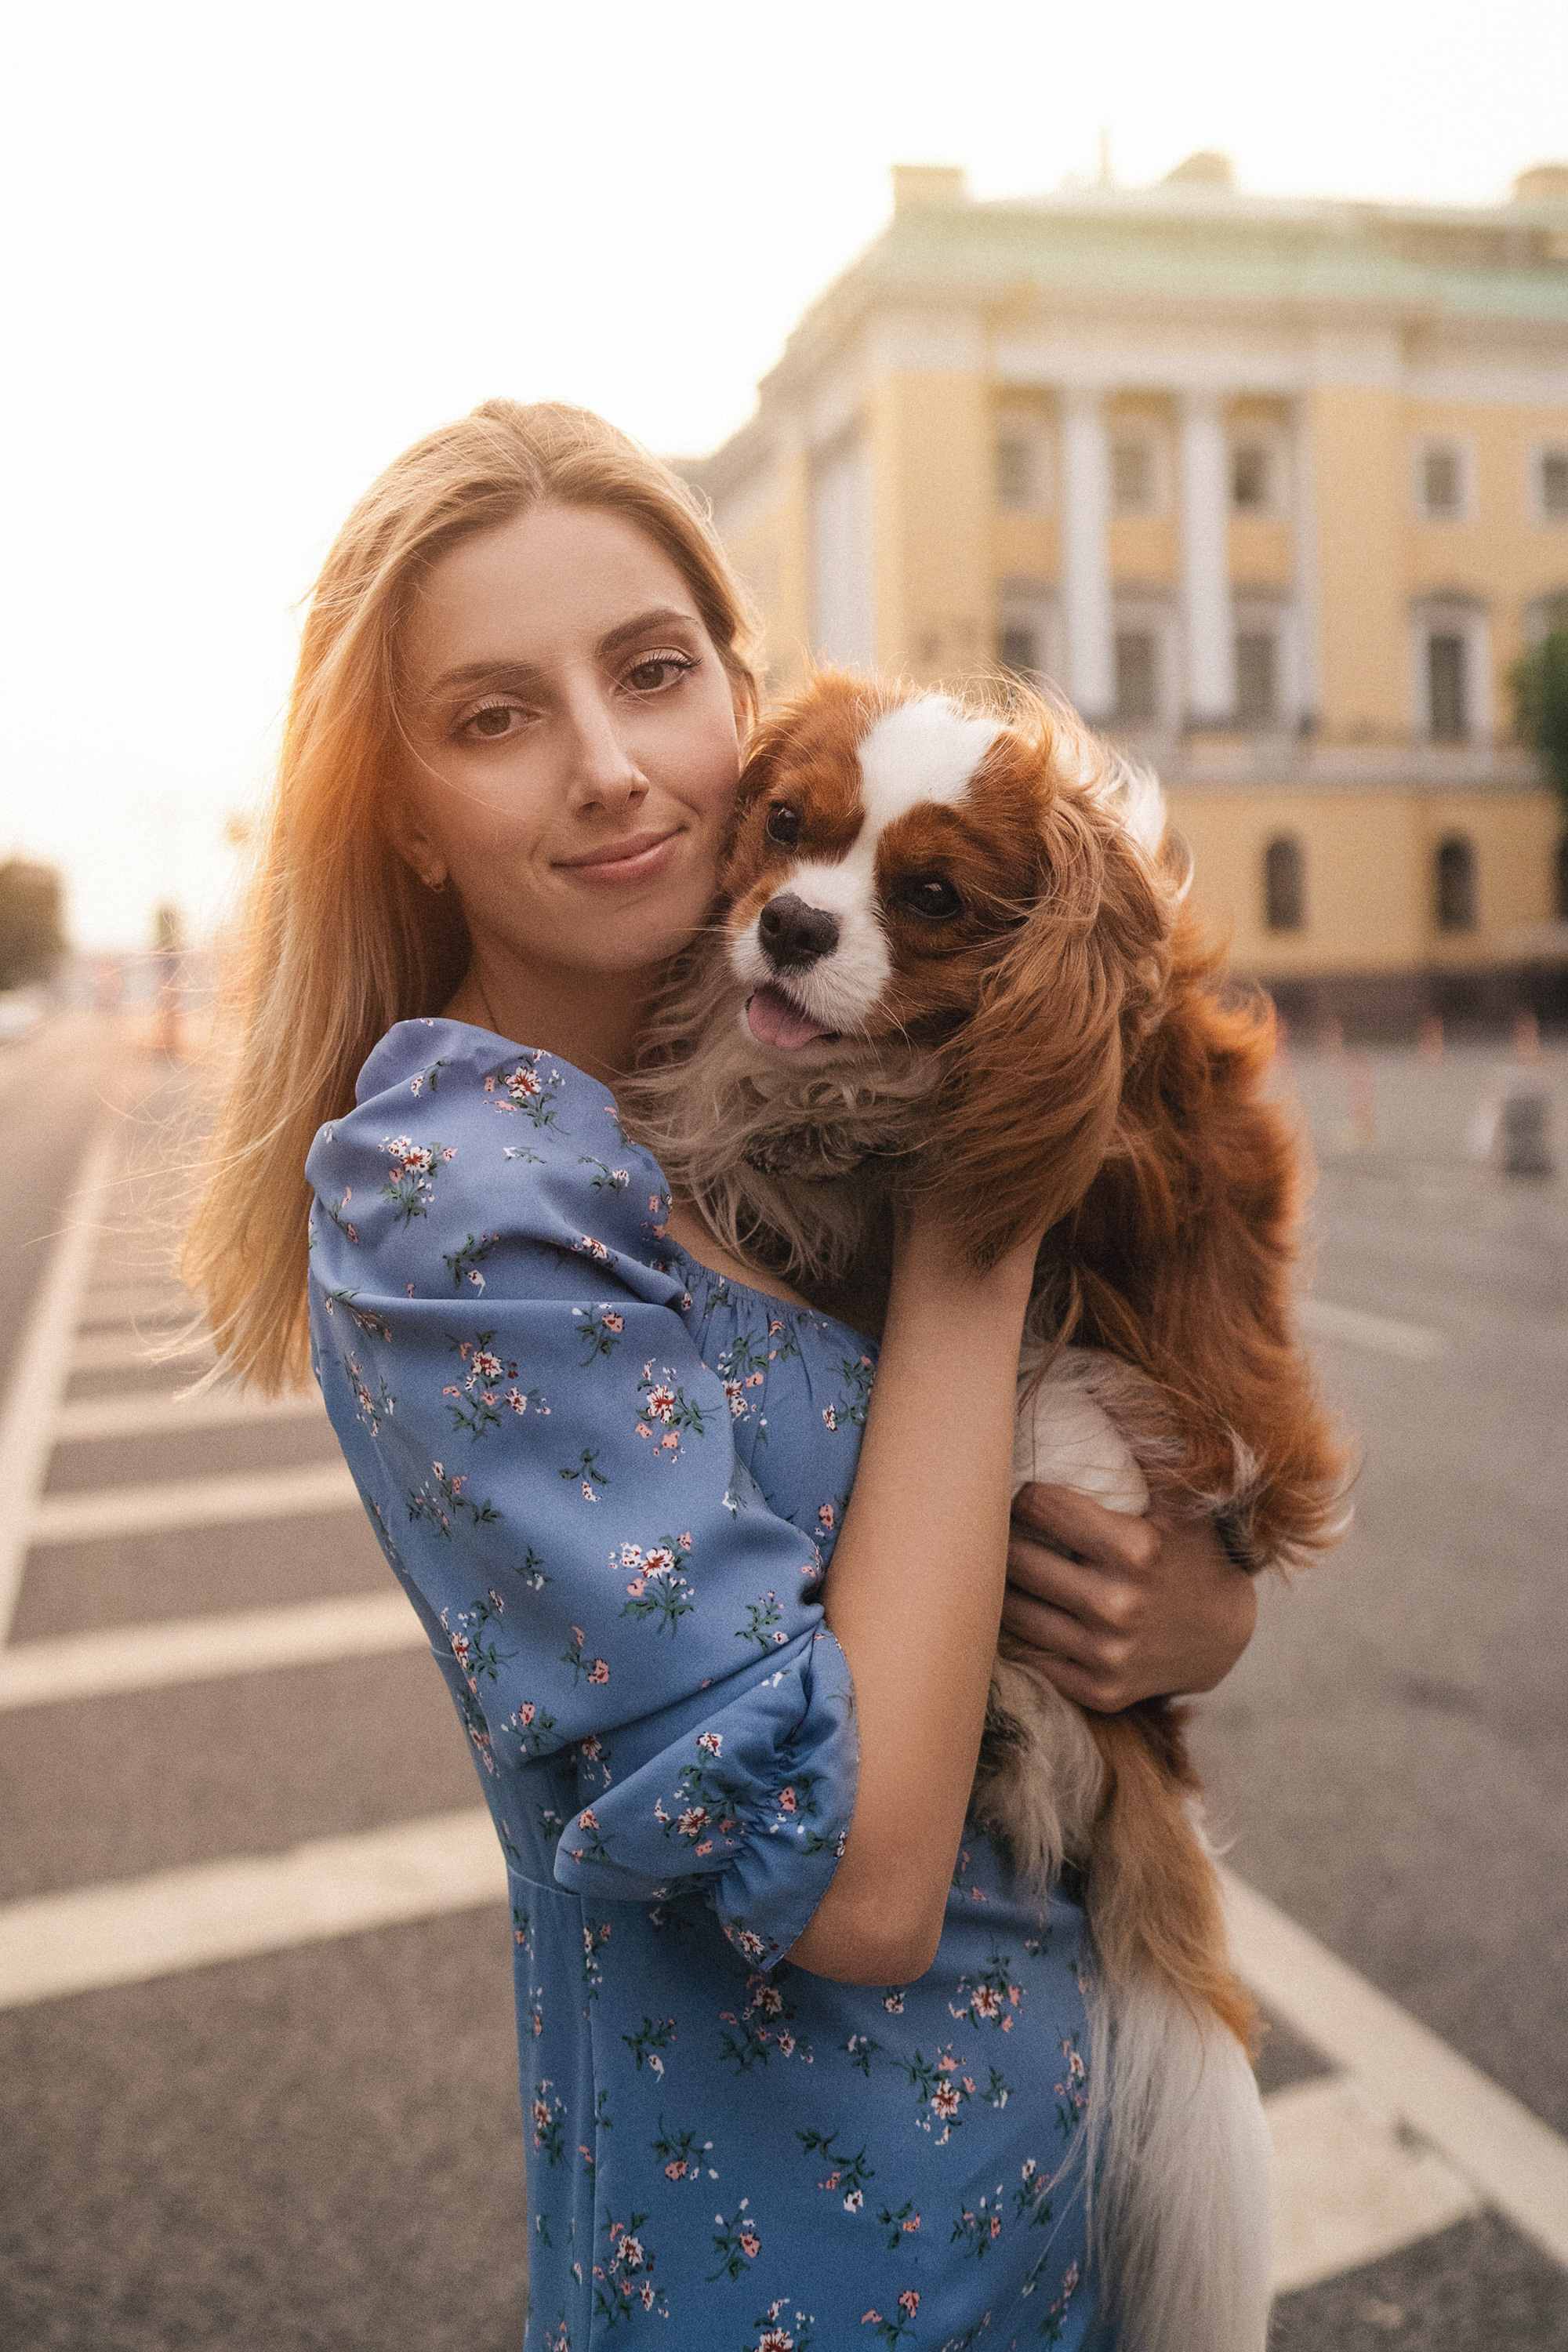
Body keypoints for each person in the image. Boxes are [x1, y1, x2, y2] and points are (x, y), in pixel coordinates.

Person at [185, 400, 1258, 2349]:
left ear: (747, 705)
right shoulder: (458, 1189)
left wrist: (1182, 1607)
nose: (608, 770)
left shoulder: (764, 1079)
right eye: (496, 717)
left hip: (1054, 2194)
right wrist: (986, 1208)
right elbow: (854, 1882)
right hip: (792, 2272)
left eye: (652, 672)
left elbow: (1035, 1490)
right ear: (404, 805)